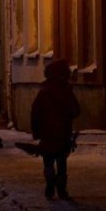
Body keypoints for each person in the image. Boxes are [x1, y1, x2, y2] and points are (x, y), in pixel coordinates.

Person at [31, 59, 81, 200]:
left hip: (47, 134)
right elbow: (76, 110)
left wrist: (36, 131)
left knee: (48, 161)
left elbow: (35, 112)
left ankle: (49, 180)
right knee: (61, 163)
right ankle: (61, 188)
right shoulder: (66, 92)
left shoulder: (43, 92)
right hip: (63, 134)